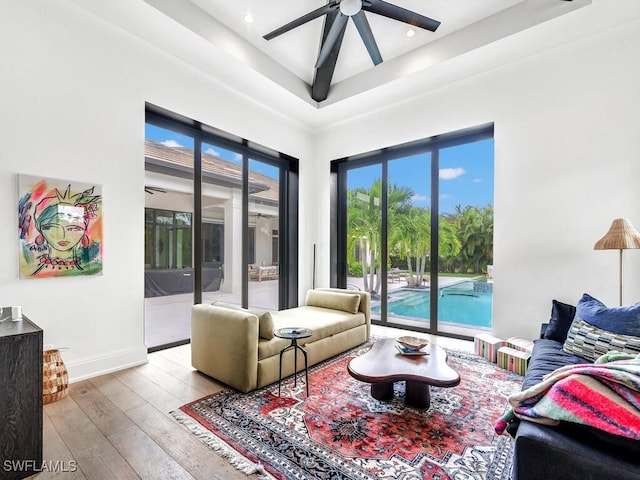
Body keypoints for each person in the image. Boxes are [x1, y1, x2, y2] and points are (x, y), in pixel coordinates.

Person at [29, 184, 101, 276]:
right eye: (53, 227)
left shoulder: (94, 269)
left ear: (84, 232)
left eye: (74, 228)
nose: (63, 235)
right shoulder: (33, 271)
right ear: (41, 231)